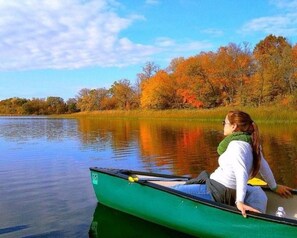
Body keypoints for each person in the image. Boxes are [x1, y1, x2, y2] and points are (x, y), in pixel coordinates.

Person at [172, 110, 293, 217]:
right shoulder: (252, 144)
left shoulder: (236, 145)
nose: (223, 125)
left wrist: (239, 201)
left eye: (225, 123)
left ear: (234, 126)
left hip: (217, 191)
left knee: (174, 190)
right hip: (226, 190)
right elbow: (264, 166)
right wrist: (274, 186)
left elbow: (241, 172)